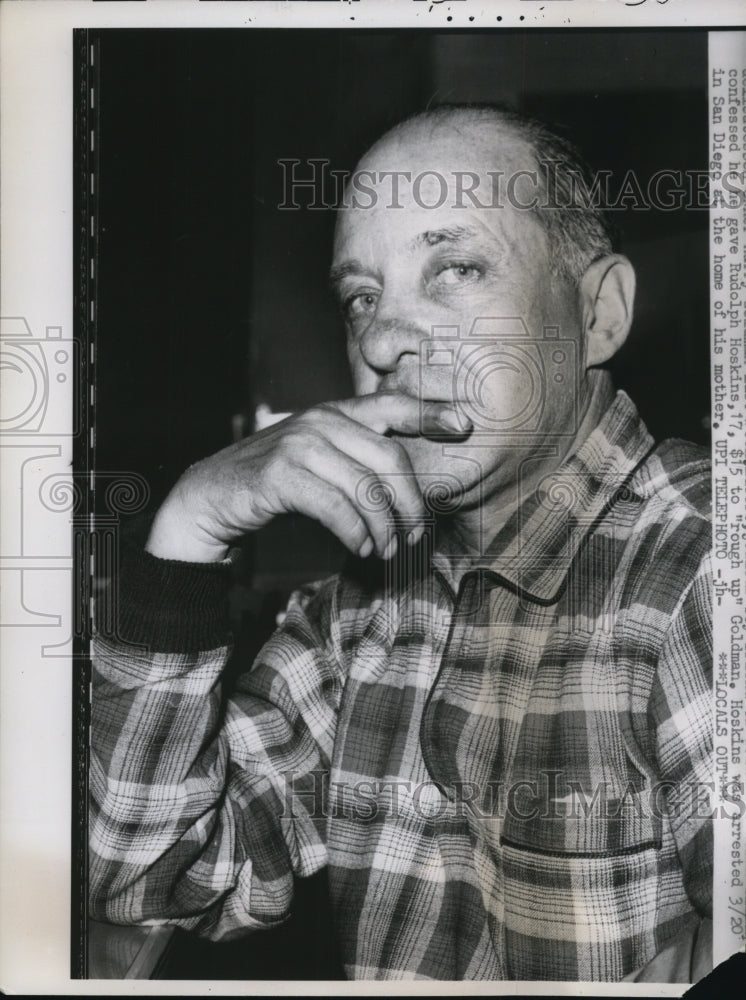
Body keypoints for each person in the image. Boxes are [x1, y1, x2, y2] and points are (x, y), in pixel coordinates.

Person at [89, 105, 713, 982]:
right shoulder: (362, 602)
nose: (380, 340)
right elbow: (146, 879)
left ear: (599, 313)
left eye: (454, 267)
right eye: (361, 297)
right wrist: (190, 528)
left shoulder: (703, 562)